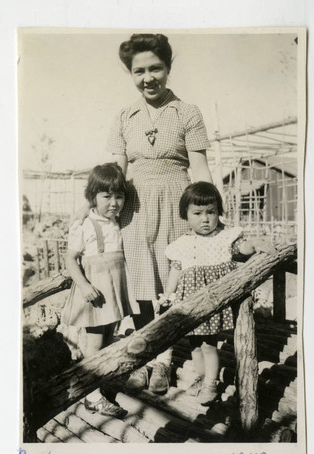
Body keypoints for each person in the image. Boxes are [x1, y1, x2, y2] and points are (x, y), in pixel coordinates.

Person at [106, 33, 214, 394]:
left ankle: (163, 362)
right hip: (134, 207)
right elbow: (116, 172)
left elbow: (199, 169)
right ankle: (143, 355)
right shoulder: (124, 116)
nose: (148, 77)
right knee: (140, 284)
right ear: (130, 74)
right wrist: (94, 207)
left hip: (176, 203)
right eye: (139, 71)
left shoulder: (188, 112)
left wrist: (210, 214)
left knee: (171, 282)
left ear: (168, 68)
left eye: (155, 68)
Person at [159, 182, 276, 405]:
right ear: (186, 215)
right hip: (191, 303)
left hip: (213, 301)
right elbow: (176, 269)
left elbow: (241, 247)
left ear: (218, 212)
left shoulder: (224, 237)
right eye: (198, 213)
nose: (205, 219)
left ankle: (211, 382)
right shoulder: (181, 244)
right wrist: (168, 294)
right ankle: (202, 377)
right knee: (194, 344)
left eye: (211, 212)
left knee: (208, 344)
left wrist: (256, 244)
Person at [62, 163, 139, 416]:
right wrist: (84, 286)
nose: (114, 203)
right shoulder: (85, 225)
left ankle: (98, 384)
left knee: (108, 340)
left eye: (119, 196)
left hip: (113, 292)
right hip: (95, 293)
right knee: (93, 343)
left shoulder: (117, 223)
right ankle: (90, 396)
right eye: (106, 197)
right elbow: (70, 258)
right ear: (93, 197)